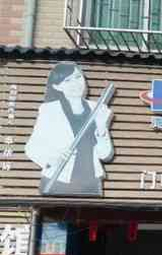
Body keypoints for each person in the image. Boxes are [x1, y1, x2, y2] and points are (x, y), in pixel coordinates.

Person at [25, 62, 113, 196]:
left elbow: (104, 154)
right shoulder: (50, 110)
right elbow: (32, 148)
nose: (76, 83)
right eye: (67, 80)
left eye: (78, 77)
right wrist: (54, 158)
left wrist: (101, 131)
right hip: (58, 180)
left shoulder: (99, 109)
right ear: (57, 86)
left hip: (90, 182)